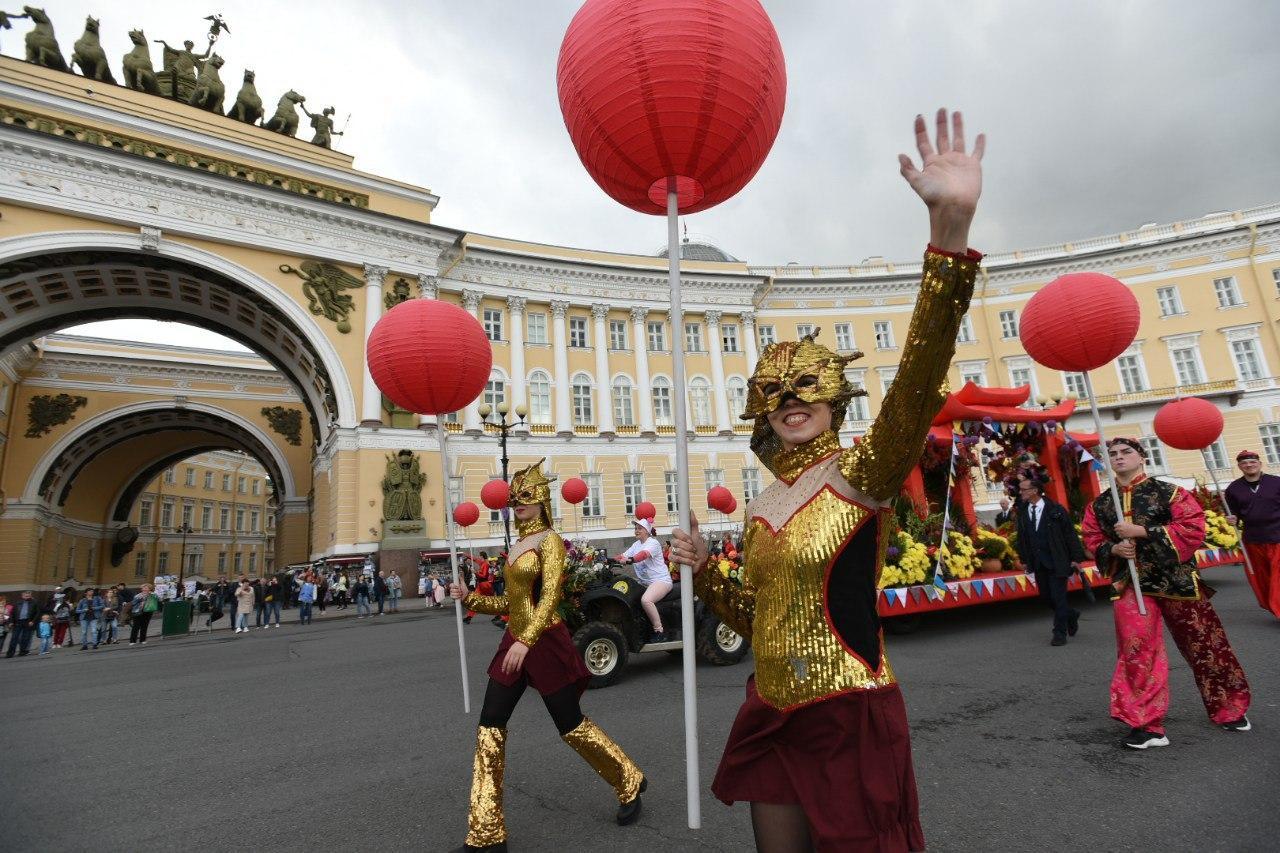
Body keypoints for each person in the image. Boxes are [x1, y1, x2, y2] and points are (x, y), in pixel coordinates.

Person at [669, 109, 984, 852]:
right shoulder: (763, 502)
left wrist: (948, 241)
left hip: (847, 710)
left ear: (834, 399)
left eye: (807, 389)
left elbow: (915, 381)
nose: (792, 404)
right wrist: (707, 571)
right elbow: (760, 618)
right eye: (777, 395)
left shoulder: (861, 471)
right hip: (772, 708)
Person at [450, 460, 645, 852]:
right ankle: (486, 833)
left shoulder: (549, 542)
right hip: (515, 641)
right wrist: (469, 598)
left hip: (543, 641)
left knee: (570, 724)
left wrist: (527, 641)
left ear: (543, 501)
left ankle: (628, 779)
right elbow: (513, 600)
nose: (518, 502)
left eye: (528, 496)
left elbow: (550, 598)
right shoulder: (517, 545)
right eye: (515, 496)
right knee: (490, 726)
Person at [1082, 437, 1252, 750]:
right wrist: (1114, 548)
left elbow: (1193, 529)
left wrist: (1143, 531)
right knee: (1137, 650)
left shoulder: (1170, 492)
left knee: (1204, 645)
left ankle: (1229, 706)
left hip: (1178, 582)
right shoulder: (1101, 504)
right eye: (1112, 454)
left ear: (1141, 457)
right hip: (1132, 584)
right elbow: (1093, 540)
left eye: (1126, 452)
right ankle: (1146, 724)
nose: (1118, 458)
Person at [1012, 467, 1087, 646]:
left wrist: (1076, 558)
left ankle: (1059, 632)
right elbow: (1023, 538)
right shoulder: (1022, 512)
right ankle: (1071, 614)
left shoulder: (1056, 510)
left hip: (1057, 560)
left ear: (1035, 491)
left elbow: (1069, 534)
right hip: (1038, 562)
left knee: (1058, 597)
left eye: (1023, 490)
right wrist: (1023, 559)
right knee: (1047, 597)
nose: (1020, 493)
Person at [1224, 449, 1280, 618]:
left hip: (1278, 536)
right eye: (1244, 463)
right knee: (1263, 578)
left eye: (1252, 462)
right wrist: (1231, 519)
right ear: (1240, 466)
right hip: (1253, 540)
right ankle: (1273, 606)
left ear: (1260, 463)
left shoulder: (1276, 482)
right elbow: (1233, 514)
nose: (1249, 465)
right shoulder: (1233, 489)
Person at [621, 518, 673, 642]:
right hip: (645, 583)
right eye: (635, 528)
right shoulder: (636, 544)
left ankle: (659, 631)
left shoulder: (652, 543)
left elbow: (643, 555)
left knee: (646, 600)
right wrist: (607, 560)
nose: (636, 530)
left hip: (661, 581)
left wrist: (631, 560)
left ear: (647, 531)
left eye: (639, 528)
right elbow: (623, 556)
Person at [5, 591, 40, 657]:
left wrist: (33, 621)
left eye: (29, 596)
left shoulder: (34, 603)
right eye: (26, 596)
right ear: (22, 596)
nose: (27, 597)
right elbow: (12, 613)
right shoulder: (17, 603)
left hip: (28, 622)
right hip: (18, 622)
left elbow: (37, 613)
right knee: (14, 638)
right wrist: (11, 622)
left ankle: (23, 652)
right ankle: (10, 653)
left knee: (25, 638)